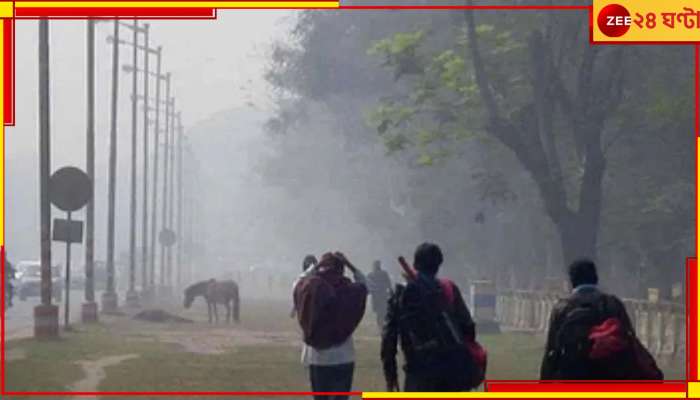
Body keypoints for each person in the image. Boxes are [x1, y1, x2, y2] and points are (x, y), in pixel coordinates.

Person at [540, 258, 663, 380]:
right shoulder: (612, 304)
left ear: (572, 281)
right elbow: (629, 341)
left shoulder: (562, 309)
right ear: (596, 278)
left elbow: (551, 352)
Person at [381, 243, 477, 392]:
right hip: (453, 373)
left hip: (419, 374)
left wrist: (390, 374)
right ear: (438, 265)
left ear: (415, 264)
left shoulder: (401, 292)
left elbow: (389, 337)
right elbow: (469, 328)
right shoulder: (448, 288)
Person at [293, 252, 367, 400]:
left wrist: (316, 267)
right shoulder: (349, 290)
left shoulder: (310, 289)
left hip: (317, 359)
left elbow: (298, 283)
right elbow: (365, 285)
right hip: (344, 357)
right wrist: (350, 265)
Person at [367, 260, 392, 328]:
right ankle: (381, 325)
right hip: (378, 296)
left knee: (381, 311)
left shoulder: (373, 274)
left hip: (380, 295)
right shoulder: (372, 275)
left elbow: (388, 283)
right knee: (381, 311)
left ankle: (381, 325)